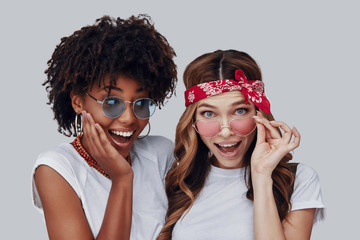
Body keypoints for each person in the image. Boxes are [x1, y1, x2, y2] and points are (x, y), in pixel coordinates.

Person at [32, 15, 177, 239]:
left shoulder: (161, 154)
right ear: (78, 102)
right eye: (111, 103)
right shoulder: (57, 169)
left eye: (141, 103)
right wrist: (122, 179)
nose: (129, 118)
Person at [157, 50, 325, 240]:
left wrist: (261, 175)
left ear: (258, 115)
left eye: (240, 111)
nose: (226, 131)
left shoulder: (297, 180)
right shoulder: (178, 182)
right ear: (193, 121)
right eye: (209, 114)